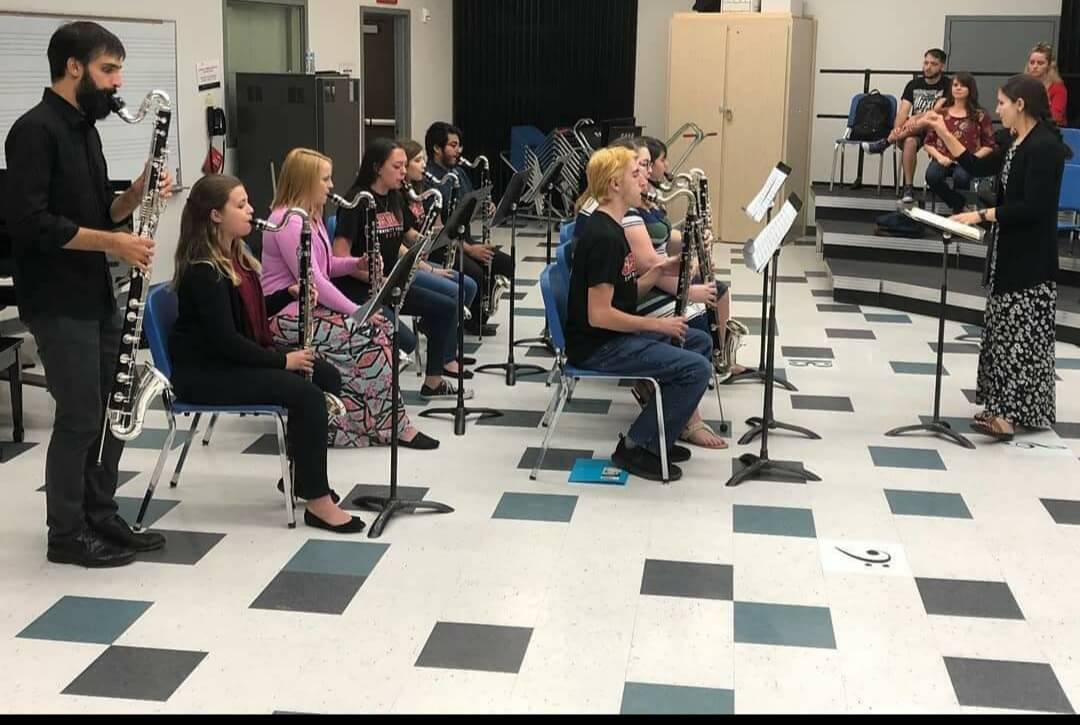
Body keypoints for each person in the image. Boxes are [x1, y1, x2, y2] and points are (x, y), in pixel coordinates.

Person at [5, 21, 174, 567]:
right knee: (79, 416)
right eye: (108, 69)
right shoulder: (33, 131)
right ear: (74, 67)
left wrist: (141, 190)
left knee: (113, 408)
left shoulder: (86, 130)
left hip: (94, 291)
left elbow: (101, 210)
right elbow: (30, 223)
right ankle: (66, 535)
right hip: (57, 300)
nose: (117, 83)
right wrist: (115, 243)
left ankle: (101, 514)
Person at [170, 175, 365, 533]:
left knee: (326, 376)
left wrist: (289, 294)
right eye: (241, 205)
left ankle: (301, 475)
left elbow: (248, 313)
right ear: (215, 216)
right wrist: (282, 361)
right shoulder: (204, 272)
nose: (251, 210)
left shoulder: (236, 258)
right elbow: (227, 341)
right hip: (206, 375)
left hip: (229, 361)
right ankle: (318, 501)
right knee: (306, 395)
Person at [260, 147, 439, 449]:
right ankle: (388, 424)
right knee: (371, 333)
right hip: (286, 317)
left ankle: (373, 421)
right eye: (325, 179)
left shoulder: (310, 217)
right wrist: (358, 311)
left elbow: (327, 265)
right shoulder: (288, 220)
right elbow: (313, 278)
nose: (331, 186)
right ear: (305, 181)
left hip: (307, 311)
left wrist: (355, 264)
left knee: (380, 333)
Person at [923, 74, 1068, 440]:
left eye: (1002, 102)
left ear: (1021, 105)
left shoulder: (1045, 147)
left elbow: (1033, 207)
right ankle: (1001, 406)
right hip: (1008, 253)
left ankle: (1012, 415)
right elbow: (974, 165)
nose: (998, 108)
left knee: (1022, 339)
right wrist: (941, 128)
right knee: (1003, 334)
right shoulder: (1015, 141)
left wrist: (981, 215)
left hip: (1031, 258)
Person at [565, 146, 713, 482]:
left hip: (613, 336)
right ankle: (635, 446)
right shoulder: (604, 237)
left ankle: (660, 435)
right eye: (635, 174)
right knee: (697, 368)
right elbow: (599, 315)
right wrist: (657, 324)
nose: (643, 180)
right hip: (598, 347)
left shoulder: (613, 227)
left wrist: (661, 269)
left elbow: (626, 294)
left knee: (699, 342)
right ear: (615, 184)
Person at [333, 139, 474, 400]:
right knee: (405, 340)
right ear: (377, 168)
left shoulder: (394, 197)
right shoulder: (357, 201)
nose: (402, 172)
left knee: (447, 305)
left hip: (389, 283)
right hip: (360, 289)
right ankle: (376, 397)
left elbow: (398, 241)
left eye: (403, 166)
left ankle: (433, 383)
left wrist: (422, 263)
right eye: (397, 166)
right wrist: (377, 277)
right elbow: (339, 257)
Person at [424, 121, 513, 335]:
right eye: (453, 145)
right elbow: (439, 231)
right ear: (437, 148)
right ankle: (463, 320)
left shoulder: (460, 173)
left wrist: (485, 206)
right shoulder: (430, 181)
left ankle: (479, 314)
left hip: (464, 241)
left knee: (505, 263)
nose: (459, 151)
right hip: (442, 247)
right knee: (473, 272)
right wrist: (471, 250)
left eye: (459, 146)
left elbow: (470, 204)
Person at [865, 49, 951, 203]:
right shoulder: (913, 84)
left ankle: (885, 143)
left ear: (942, 67)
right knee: (910, 142)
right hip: (913, 130)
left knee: (928, 119)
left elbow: (937, 111)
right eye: (926, 63)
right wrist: (898, 129)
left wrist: (916, 118)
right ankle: (908, 188)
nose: (928, 67)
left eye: (933, 64)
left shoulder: (948, 85)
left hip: (937, 129)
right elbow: (903, 112)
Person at [922, 73, 996, 214]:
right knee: (932, 175)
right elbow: (928, 143)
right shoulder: (941, 114)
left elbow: (989, 144)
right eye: (955, 85)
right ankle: (959, 204)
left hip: (967, 159)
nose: (958, 88)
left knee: (962, 176)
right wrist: (939, 157)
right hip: (942, 157)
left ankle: (958, 212)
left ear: (970, 89)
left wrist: (973, 159)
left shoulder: (980, 115)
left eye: (963, 86)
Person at [1026, 42, 1068, 127]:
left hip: (1053, 130)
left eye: (1040, 63)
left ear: (1049, 66)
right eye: (1032, 62)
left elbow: (1056, 117)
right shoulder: (1023, 85)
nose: (1035, 66)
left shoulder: (1058, 88)